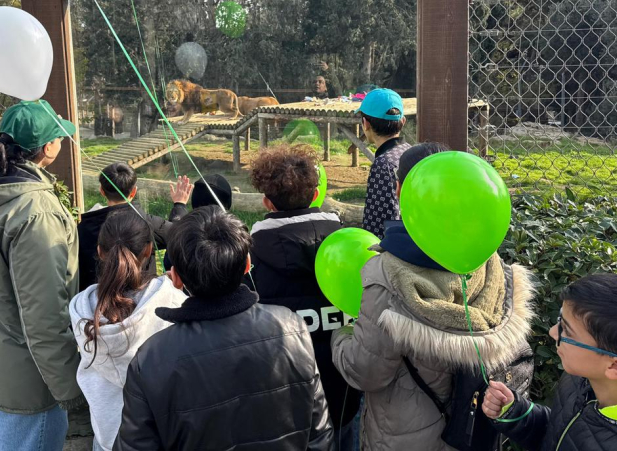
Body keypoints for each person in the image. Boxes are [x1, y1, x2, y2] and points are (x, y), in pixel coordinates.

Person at [331, 142, 535, 451]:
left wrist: (341, 336)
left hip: (404, 438)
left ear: (400, 191)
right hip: (473, 431)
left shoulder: (387, 274)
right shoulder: (488, 261)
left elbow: (367, 372)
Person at [113, 207, 335, 450]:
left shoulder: (151, 358)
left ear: (175, 278)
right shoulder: (292, 327)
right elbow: (320, 435)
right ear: (248, 264)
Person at [0, 100, 84, 451]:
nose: (63, 140)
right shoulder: (36, 214)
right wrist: (70, 389)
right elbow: (44, 318)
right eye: (59, 136)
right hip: (25, 380)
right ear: (47, 148)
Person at [248, 144, 362, 448]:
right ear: (315, 195)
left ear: (267, 202)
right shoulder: (351, 248)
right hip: (345, 389)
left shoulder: (250, 259)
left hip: (284, 401)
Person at [483, 273, 617, 450]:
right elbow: (561, 432)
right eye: (560, 320)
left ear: (615, 366)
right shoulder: (581, 379)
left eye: (567, 331)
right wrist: (517, 413)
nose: (553, 332)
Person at [70, 210, 186, 451]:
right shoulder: (171, 302)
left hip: (107, 436)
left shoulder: (80, 308)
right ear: (148, 250)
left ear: (100, 251)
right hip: (160, 436)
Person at [77, 163, 193, 290]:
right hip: (144, 295)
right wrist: (179, 205)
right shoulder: (147, 222)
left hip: (99, 296)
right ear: (133, 192)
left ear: (102, 191)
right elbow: (180, 234)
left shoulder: (83, 228)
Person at [358, 88, 411, 238]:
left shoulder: (384, 165)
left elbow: (377, 225)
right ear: (403, 121)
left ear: (365, 124)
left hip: (397, 248)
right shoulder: (411, 152)